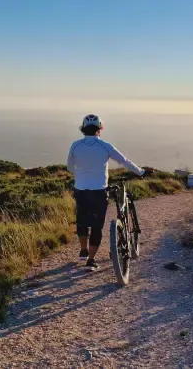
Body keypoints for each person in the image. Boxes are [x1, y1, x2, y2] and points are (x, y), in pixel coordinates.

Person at [66, 114, 145, 271]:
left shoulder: (75, 145)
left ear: (83, 128)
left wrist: (82, 176)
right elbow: (124, 161)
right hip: (99, 190)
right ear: (100, 129)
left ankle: (83, 250)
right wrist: (141, 172)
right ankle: (91, 260)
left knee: (82, 220)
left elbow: (69, 167)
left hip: (81, 189)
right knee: (96, 226)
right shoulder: (105, 146)